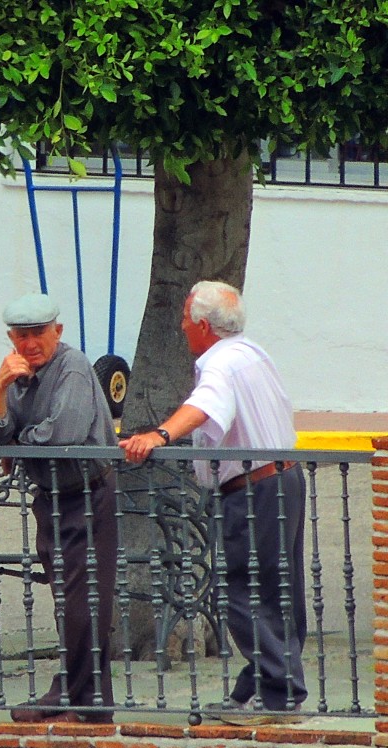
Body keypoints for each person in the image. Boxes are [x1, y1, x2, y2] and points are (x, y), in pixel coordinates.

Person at [119, 280, 306, 724]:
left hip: (254, 488)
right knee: (278, 590)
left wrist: (158, 435)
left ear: (203, 325)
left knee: (243, 589)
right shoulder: (253, 354)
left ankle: (278, 693)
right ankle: (261, 683)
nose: (182, 327)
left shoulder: (219, 363)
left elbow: (204, 406)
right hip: (283, 480)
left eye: (186, 318)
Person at [0, 292, 118, 724]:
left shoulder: (72, 365)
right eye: (21, 336)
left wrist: (16, 447)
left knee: (83, 603)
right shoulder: (18, 375)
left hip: (88, 494)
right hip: (52, 498)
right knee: (71, 601)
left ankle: (73, 696)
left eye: (38, 333)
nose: (30, 343)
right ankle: (90, 702)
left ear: (57, 331)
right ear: (11, 337)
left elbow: (65, 433)